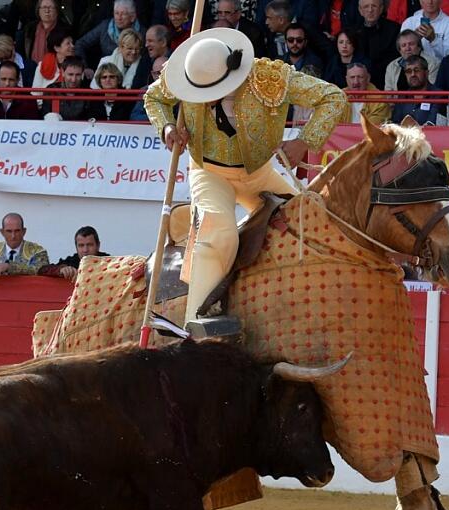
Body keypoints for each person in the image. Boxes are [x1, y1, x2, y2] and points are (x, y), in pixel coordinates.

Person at [144, 28, 346, 328]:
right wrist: (168, 128)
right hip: (209, 173)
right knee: (218, 235)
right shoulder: (190, 75)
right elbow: (154, 98)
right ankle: (196, 321)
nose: (204, 99)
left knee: (310, 220)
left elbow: (334, 97)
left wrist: (303, 141)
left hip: (258, 173)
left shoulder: (270, 76)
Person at [75, 0, 139, 69]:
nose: (119, 18)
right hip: (106, 73)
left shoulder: (142, 33)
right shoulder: (105, 26)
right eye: (116, 13)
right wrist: (84, 68)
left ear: (132, 17)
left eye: (123, 14)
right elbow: (80, 43)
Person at [352, 0, 400, 87]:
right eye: (366, 6)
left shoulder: (394, 29)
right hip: (357, 82)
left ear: (381, 8)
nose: (370, 10)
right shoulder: (352, 31)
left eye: (374, 6)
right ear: (360, 10)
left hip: (386, 81)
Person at [390, 54, 446, 124]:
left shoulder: (438, 95)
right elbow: (395, 122)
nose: (413, 74)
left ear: (426, 73)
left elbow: (432, 123)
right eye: (408, 71)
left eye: (417, 70)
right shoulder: (402, 96)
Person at [39, 226, 110, 280]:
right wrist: (60, 270)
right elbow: (43, 270)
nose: (85, 250)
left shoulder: (108, 262)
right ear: (76, 247)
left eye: (89, 245)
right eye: (81, 246)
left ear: (98, 246)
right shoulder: (71, 262)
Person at [42, 54, 94, 119]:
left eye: (78, 75)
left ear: (82, 74)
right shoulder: (51, 90)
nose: (73, 79)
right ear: (63, 73)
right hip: (57, 128)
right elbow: (45, 117)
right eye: (70, 74)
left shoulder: (89, 93)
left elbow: (91, 120)